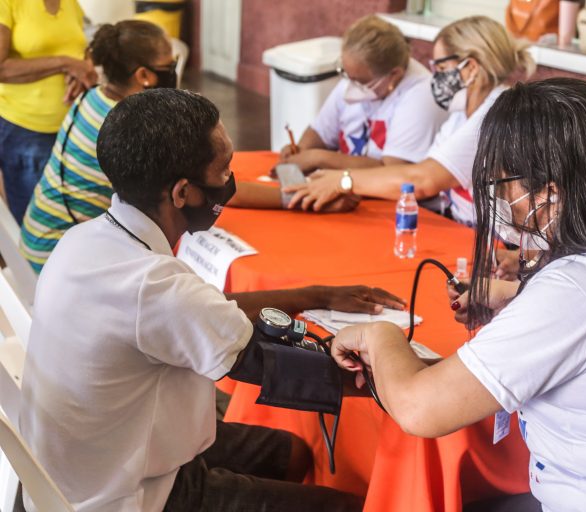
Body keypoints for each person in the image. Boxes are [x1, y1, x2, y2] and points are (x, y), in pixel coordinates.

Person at [329, 79, 586, 511]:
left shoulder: (577, 291)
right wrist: (518, 294)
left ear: (550, 193)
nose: (500, 197)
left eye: (504, 182)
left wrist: (379, 335)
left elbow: (420, 409)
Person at [19, 89, 405, 511]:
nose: (230, 181)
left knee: (292, 453)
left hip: (89, 458)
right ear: (183, 193)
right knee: (350, 508)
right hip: (127, 496)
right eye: (224, 171)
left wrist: (315, 295)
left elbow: (202, 310)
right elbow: (278, 369)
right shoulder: (154, 287)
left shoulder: (85, 241)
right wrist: (406, 378)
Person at [285, 16, 534, 227]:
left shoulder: (494, 114)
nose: (434, 78)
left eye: (440, 68)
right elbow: (421, 171)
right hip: (458, 226)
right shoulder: (461, 113)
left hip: (490, 241)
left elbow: (423, 180)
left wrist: (343, 181)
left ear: (470, 68)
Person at [20, 20, 176, 274]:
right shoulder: (130, 128)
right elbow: (182, 189)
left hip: (36, 239)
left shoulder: (91, 95)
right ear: (144, 76)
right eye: (169, 66)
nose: (173, 72)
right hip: (56, 261)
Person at [277, 14, 447, 174]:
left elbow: (392, 172)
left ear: (394, 75)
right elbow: (320, 132)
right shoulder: (356, 76)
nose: (351, 86)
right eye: (346, 74)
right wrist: (300, 152)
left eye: (360, 81)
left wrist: (319, 158)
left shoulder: (421, 97)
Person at [0, 0, 97, 222]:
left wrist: (83, 69)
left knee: (62, 213)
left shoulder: (70, 3)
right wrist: (65, 63)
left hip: (69, 127)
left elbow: (84, 48)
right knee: (33, 217)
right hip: (26, 131)